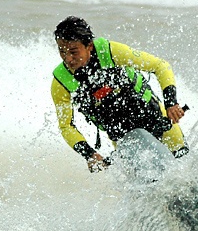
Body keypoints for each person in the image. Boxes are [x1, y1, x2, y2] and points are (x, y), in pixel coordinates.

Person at [50, 16, 190, 172]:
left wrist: (171, 103)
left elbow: (160, 66)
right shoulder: (61, 82)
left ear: (89, 46)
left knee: (186, 169)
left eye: (73, 52)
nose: (68, 59)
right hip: (125, 140)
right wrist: (89, 154)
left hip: (159, 122)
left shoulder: (110, 52)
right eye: (62, 51)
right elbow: (66, 126)